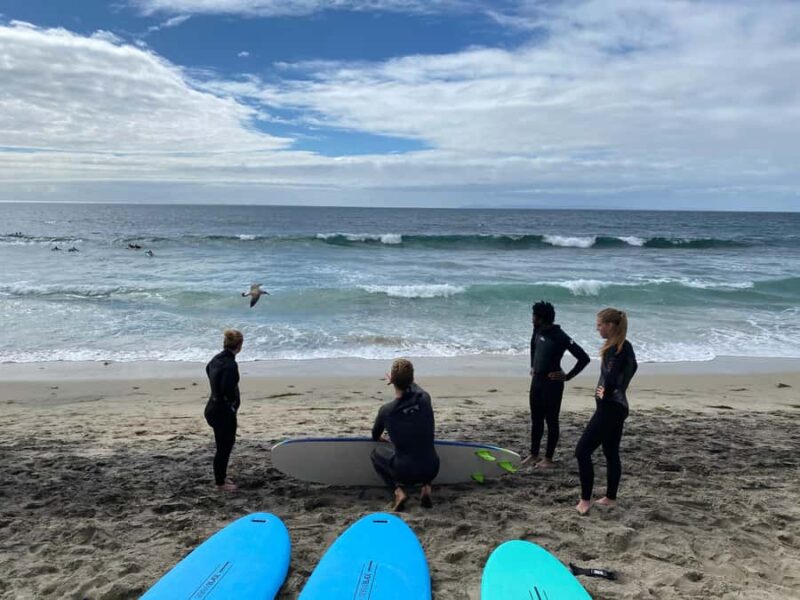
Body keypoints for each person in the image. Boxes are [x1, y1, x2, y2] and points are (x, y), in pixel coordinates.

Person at [575, 308, 637, 515]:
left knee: (582, 450)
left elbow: (610, 378)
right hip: (619, 407)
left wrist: (606, 391)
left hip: (610, 408)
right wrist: (613, 389)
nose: (597, 327)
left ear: (610, 326)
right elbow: (629, 370)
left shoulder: (615, 349)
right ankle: (610, 498)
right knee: (610, 452)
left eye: (600, 324)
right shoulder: (625, 347)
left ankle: (585, 500)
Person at [524, 301, 590, 468]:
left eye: (533, 316)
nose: (531, 319)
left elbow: (584, 358)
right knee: (536, 419)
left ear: (540, 318)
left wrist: (568, 376)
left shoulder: (560, 336)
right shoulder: (537, 329)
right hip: (537, 381)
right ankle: (533, 454)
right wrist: (533, 365)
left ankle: (548, 459)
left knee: (551, 420)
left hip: (552, 384)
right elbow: (533, 344)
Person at [370, 359, 440, 511]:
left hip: (404, 471)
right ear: (413, 379)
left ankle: (399, 492)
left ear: (392, 381)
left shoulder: (386, 411)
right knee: (423, 450)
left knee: (375, 454)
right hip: (432, 468)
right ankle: (426, 488)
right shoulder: (425, 398)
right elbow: (415, 388)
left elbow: (375, 436)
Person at [204, 329, 244, 492]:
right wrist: (233, 404)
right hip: (222, 412)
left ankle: (221, 477)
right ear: (239, 345)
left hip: (212, 407)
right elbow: (226, 387)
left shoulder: (216, 359)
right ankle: (220, 483)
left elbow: (208, 370)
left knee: (223, 445)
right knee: (224, 447)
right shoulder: (230, 364)